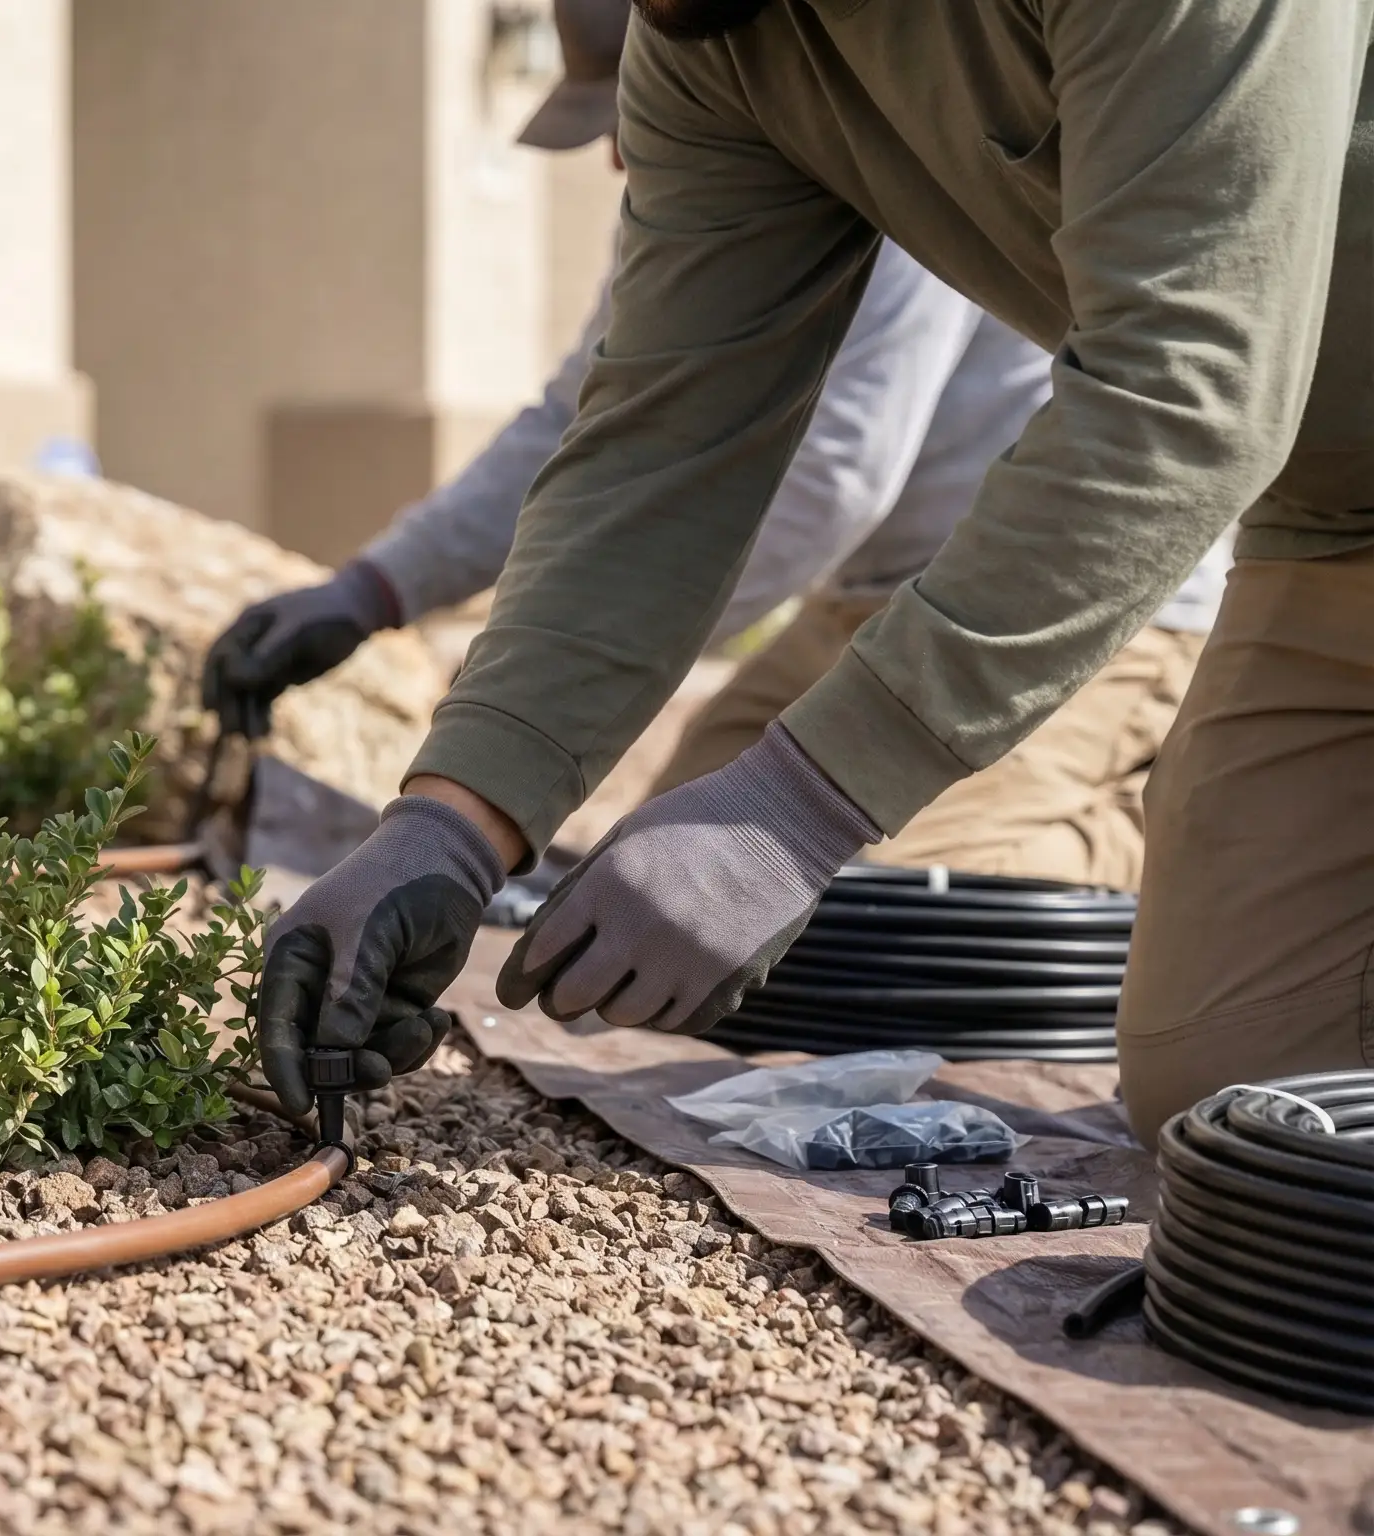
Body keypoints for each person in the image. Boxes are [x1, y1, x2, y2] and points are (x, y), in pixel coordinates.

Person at [247, 0, 1374, 1146]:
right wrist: (451, 821)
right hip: (1331, 528)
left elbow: (1180, 394)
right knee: (1235, 1114)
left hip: (1194, 515)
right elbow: (660, 446)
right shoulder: (706, 39)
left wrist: (800, 804)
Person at [204, 0, 1229, 894]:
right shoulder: (698, 178)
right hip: (869, 607)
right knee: (653, 869)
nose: (611, 155)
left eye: (611, 116)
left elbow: (834, 477)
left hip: (1070, 611)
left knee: (871, 904)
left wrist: (614, 657)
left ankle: (1187, 834)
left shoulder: (867, 157)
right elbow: (593, 424)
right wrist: (372, 592)